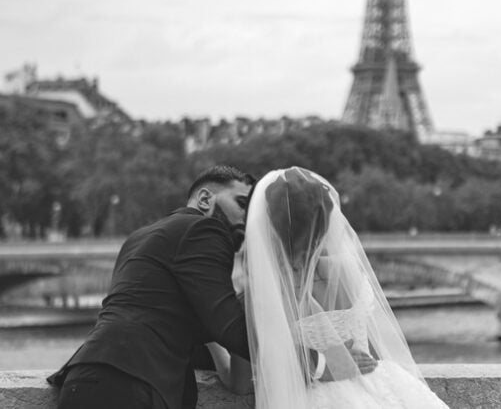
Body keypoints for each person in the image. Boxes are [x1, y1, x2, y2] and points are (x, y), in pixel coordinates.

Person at [210, 166, 450, 408]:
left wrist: (211, 344)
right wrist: (338, 362)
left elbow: (240, 384)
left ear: (266, 224)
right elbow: (371, 357)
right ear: (326, 221)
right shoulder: (348, 271)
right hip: (379, 390)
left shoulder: (261, 294)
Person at [48, 164, 256, 409]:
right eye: (241, 204)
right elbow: (232, 329)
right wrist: (301, 357)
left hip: (83, 381)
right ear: (204, 198)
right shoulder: (205, 230)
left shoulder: (139, 237)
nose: (246, 218)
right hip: (129, 388)